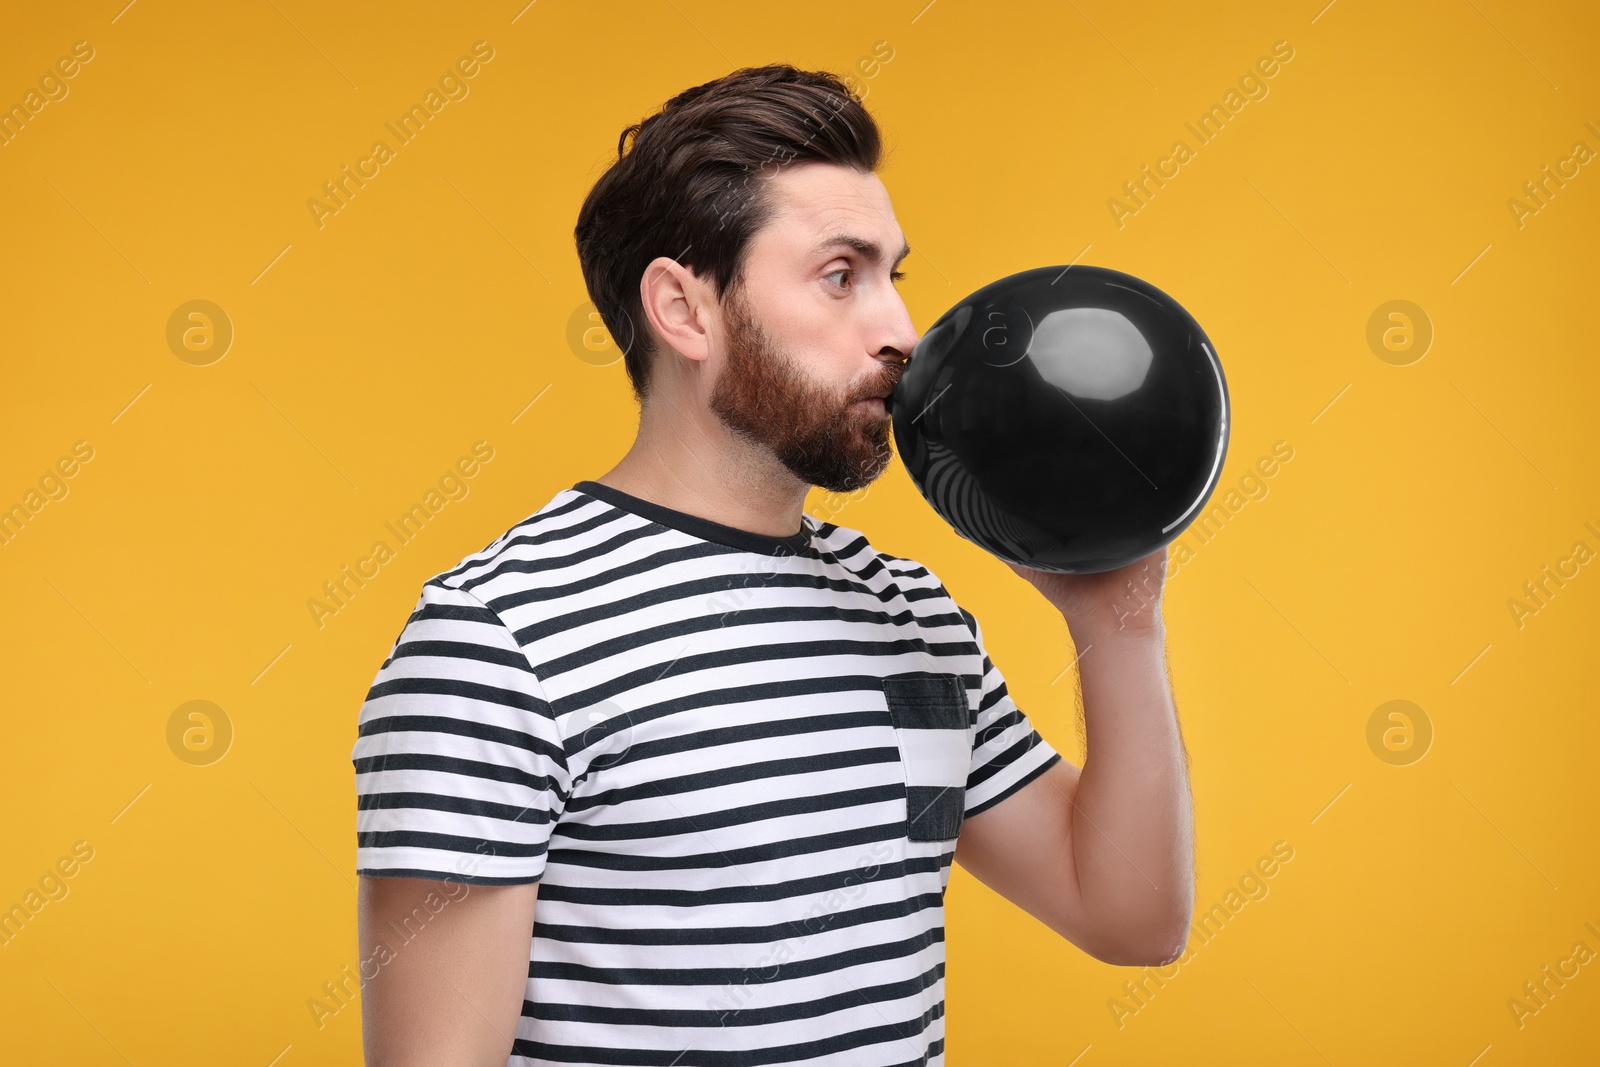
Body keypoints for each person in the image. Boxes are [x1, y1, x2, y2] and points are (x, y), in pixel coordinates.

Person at [350, 63, 1194, 1066]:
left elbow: (1131, 918)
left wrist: (1118, 618)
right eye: (841, 275)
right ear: (684, 308)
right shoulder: (499, 640)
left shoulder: (910, 613)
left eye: (894, 276)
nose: (901, 333)